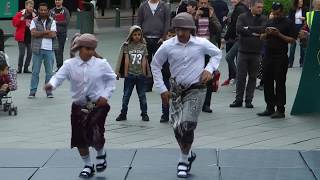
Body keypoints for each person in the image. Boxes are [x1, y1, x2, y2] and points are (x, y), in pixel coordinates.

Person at [151, 12, 221, 178]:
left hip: (196, 89)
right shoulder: (167, 45)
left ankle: (183, 161)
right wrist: (162, 88)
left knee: (187, 125)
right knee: (177, 127)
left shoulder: (201, 43)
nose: (181, 33)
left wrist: (209, 69)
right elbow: (155, 65)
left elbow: (217, 53)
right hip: (176, 90)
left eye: (184, 29)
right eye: (178, 29)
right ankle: (188, 154)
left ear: (191, 29)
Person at [44, 33, 116, 178]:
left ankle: (101, 153)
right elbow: (59, 76)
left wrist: (105, 95)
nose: (90, 52)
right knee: (79, 137)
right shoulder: (69, 64)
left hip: (97, 105)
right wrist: (51, 85)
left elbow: (111, 79)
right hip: (79, 106)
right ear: (79, 48)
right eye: (87, 49)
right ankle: (88, 165)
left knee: (95, 132)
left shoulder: (101, 64)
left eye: (92, 49)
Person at [257, 2, 297, 118]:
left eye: (278, 14)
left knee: (279, 82)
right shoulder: (270, 22)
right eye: (274, 14)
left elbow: (292, 40)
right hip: (268, 55)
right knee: (267, 81)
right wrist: (265, 34)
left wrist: (278, 34)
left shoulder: (288, 23)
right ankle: (269, 107)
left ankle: (280, 109)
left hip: (280, 56)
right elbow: (261, 36)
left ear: (282, 11)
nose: (276, 16)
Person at [229, 0, 267, 108]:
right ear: (251, 7)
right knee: (241, 77)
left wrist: (248, 28)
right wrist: (255, 33)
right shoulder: (242, 16)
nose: (261, 9)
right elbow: (239, 29)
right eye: (258, 7)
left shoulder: (263, 18)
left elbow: (263, 29)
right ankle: (238, 99)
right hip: (243, 51)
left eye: (261, 7)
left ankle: (249, 100)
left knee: (253, 77)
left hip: (256, 52)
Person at [115, 25, 150, 122]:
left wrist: (144, 73)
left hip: (140, 76)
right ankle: (123, 113)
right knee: (126, 95)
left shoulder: (143, 46)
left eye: (139, 34)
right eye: (135, 34)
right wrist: (125, 74)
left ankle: (144, 113)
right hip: (130, 75)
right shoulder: (127, 46)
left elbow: (144, 60)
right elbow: (126, 59)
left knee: (142, 95)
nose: (137, 36)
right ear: (131, 35)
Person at [137, 0, 171, 92]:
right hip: (146, 39)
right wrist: (141, 37)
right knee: (146, 63)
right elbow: (139, 22)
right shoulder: (143, 6)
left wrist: (163, 37)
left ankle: (166, 85)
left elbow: (167, 21)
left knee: (163, 63)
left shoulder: (164, 6)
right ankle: (147, 85)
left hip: (159, 39)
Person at [195, 0, 221, 113]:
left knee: (208, 76)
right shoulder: (193, 15)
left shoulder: (212, 15)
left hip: (208, 49)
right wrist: (196, 17)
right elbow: (188, 29)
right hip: (195, 50)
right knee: (195, 77)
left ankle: (206, 104)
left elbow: (218, 29)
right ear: (198, 4)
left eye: (205, 3)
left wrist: (211, 17)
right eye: (201, 3)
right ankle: (194, 102)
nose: (203, 5)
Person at [29, 3, 58, 99]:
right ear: (38, 10)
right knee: (35, 72)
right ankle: (32, 92)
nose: (43, 12)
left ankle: (49, 91)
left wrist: (39, 33)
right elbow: (33, 33)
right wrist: (46, 32)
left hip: (49, 50)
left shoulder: (52, 21)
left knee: (49, 72)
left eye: (45, 10)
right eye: (41, 10)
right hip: (37, 50)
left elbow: (53, 35)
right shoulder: (34, 20)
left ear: (48, 11)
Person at [221, 0, 249, 86]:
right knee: (233, 58)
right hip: (239, 38)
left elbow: (234, 25)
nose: (233, 0)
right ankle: (236, 78)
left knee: (231, 58)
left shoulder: (239, 8)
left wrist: (225, 38)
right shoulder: (240, 8)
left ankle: (239, 79)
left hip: (241, 38)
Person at [12, 0, 37, 73]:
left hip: (30, 37)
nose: (31, 8)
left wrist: (35, 18)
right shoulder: (20, 14)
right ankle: (19, 68)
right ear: (26, 6)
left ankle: (26, 68)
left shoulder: (34, 14)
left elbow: (39, 24)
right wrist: (20, 20)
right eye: (29, 6)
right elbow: (14, 24)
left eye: (32, 6)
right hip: (21, 36)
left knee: (30, 53)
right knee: (22, 53)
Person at [160, 28, 175, 123]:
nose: (171, 38)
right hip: (165, 75)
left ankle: (175, 115)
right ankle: (165, 115)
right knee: (165, 95)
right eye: (169, 35)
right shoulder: (163, 47)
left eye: (173, 36)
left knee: (176, 97)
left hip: (176, 77)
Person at [50, 0, 70, 71]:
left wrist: (56, 22)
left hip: (62, 34)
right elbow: (49, 21)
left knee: (60, 50)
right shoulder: (51, 11)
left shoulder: (65, 10)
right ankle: (59, 66)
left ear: (62, 1)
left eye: (59, 0)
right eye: (56, 0)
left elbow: (66, 22)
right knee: (55, 50)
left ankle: (60, 67)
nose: (57, 1)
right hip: (53, 34)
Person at [288, 0, 307, 68]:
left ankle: (302, 62)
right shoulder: (292, 9)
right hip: (294, 27)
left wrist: (304, 18)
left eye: (302, 2)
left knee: (302, 46)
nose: (301, 3)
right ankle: (290, 63)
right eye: (299, 2)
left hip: (302, 27)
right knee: (293, 46)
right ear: (296, 2)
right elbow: (289, 19)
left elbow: (307, 18)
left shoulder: (304, 9)